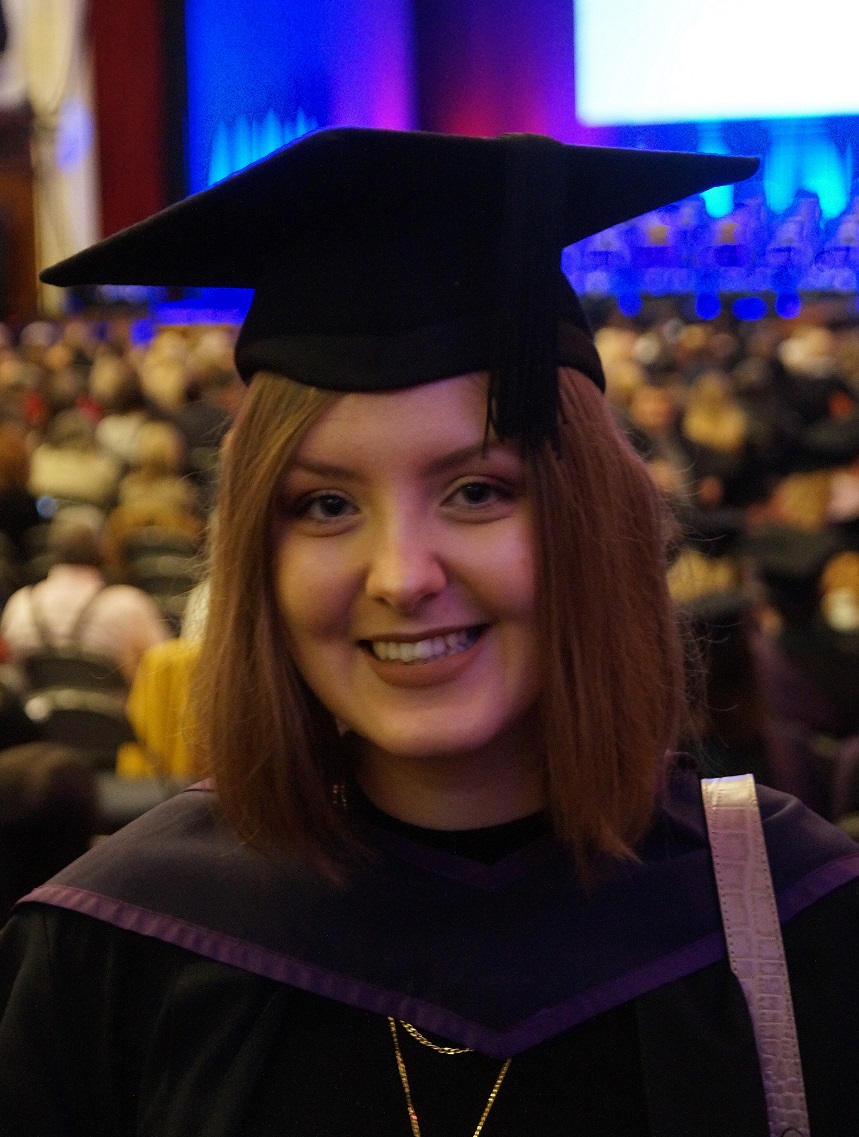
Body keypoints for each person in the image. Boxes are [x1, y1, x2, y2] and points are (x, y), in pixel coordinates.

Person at [0, 128, 857, 1135]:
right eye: (324, 506)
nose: (402, 577)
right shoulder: (112, 955)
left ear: (593, 519)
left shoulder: (798, 925)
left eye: (476, 490)